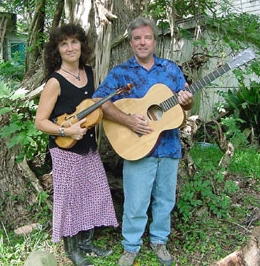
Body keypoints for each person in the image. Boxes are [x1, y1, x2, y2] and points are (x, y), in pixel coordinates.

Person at [92, 17, 194, 266]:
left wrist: (189, 102)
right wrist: (127, 120)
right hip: (137, 147)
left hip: (169, 146)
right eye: (137, 38)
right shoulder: (120, 73)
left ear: (155, 41)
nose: (142, 42)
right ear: (130, 42)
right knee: (136, 202)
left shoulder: (171, 70)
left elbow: (185, 106)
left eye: (147, 37)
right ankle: (130, 246)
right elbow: (98, 102)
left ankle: (159, 241)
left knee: (165, 200)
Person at [35, 23, 118, 266]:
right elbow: (40, 122)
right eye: (64, 44)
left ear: (82, 44)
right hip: (64, 149)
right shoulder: (55, 82)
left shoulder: (89, 72)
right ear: (57, 50)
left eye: (74, 42)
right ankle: (73, 251)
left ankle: (86, 243)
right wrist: (65, 129)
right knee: (70, 200)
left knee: (93, 194)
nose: (70, 48)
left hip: (88, 147)